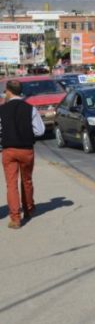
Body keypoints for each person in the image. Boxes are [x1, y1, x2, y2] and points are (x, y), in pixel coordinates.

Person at [1, 79, 45, 229]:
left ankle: (15, 218)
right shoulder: (30, 109)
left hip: (8, 150)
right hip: (26, 149)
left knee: (11, 184)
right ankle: (29, 209)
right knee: (26, 180)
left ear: (8, 91)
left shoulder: (2, 109)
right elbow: (40, 130)